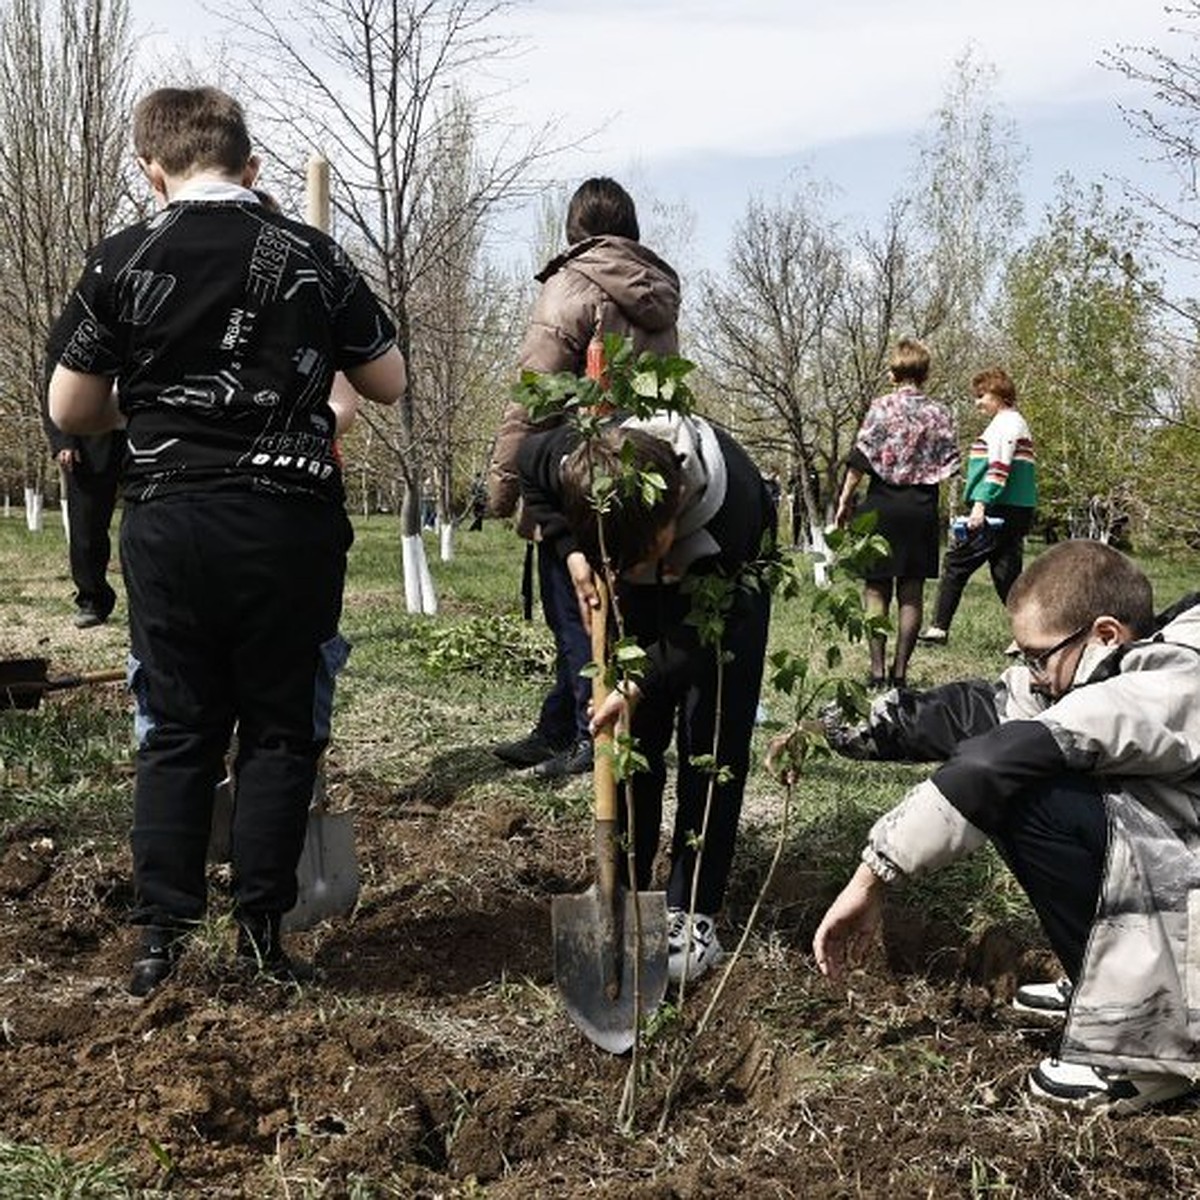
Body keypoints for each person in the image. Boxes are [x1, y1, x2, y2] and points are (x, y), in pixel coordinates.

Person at [47, 85, 406, 996]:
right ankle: (260, 938)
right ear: (252, 166)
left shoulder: (123, 257)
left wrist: (160, 399)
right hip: (289, 523)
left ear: (151, 170)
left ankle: (160, 939)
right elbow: (388, 377)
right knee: (281, 731)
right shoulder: (312, 255)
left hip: (171, 521)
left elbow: (70, 408)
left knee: (176, 728)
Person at [810, 540, 1200, 1114]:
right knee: (1033, 775)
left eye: (1038, 657)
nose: (1032, 675)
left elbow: (997, 761)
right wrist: (845, 724)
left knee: (1026, 792)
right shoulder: (1102, 668)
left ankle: (1144, 1049)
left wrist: (872, 878)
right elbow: (985, 710)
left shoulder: (1169, 684)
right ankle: (1110, 978)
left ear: (1106, 635)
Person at [519, 412, 776, 984]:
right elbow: (523, 461)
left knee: (712, 744)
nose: (629, 571)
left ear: (674, 507)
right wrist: (574, 551)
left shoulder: (733, 510)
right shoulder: (572, 459)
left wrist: (636, 683)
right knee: (636, 742)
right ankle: (626, 884)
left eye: (642, 558)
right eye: (620, 560)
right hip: (647, 586)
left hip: (723, 600)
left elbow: (689, 642)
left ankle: (693, 908)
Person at [488, 177, 681, 781]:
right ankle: (558, 721)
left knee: (573, 606)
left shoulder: (570, 287)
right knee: (609, 604)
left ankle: (583, 733)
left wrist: (505, 487)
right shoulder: (656, 291)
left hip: (576, 467)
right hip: (636, 470)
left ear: (576, 228)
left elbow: (534, 397)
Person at [833, 339, 959, 689]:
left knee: (876, 589)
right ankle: (900, 672)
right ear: (925, 373)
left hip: (882, 504)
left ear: (895, 372)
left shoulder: (881, 407)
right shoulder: (939, 412)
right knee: (911, 590)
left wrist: (845, 499)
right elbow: (950, 464)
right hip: (920, 507)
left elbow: (861, 457)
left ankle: (876, 671)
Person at [920, 367, 1037, 645]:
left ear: (998, 394)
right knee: (1005, 574)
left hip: (998, 507)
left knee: (956, 563)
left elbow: (999, 467)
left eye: (981, 396)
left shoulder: (1006, 424)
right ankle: (1029, 636)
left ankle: (939, 628)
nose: (977, 402)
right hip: (1014, 507)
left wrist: (980, 504)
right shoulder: (1012, 422)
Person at [39, 405, 124, 628]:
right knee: (86, 528)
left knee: (156, 520)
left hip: (146, 433)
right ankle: (92, 601)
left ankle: (162, 599)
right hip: (89, 443)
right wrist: (63, 441)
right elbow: (53, 394)